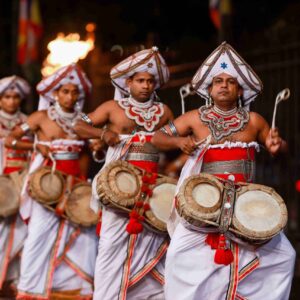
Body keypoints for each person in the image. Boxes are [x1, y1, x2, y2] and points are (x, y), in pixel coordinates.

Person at [152, 42, 295, 300]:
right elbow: (157, 138)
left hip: (246, 206)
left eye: (231, 81)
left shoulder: (254, 121)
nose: (224, 85)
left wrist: (277, 145)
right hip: (202, 204)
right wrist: (177, 142)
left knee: (286, 255)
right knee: (176, 256)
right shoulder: (194, 118)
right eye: (218, 80)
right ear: (209, 88)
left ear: (240, 90)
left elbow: (280, 148)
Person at [75, 46, 173, 299]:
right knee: (110, 245)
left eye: (151, 81)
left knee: (154, 243)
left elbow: (182, 139)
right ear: (128, 82)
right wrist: (102, 134)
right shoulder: (112, 108)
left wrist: (177, 163)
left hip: (153, 188)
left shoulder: (165, 112)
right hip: (118, 187)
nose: (146, 85)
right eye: (140, 80)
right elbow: (78, 125)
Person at [9, 64, 98, 300]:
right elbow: (11, 140)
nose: (70, 97)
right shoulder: (40, 117)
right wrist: (35, 146)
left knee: (84, 235)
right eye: (65, 92)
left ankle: (74, 288)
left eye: (74, 92)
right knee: (38, 235)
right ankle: (29, 290)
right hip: (45, 186)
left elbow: (87, 153)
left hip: (75, 186)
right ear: (55, 94)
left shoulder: (82, 121)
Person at [0, 76, 32, 297]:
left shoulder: (28, 121)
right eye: (7, 97)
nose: (11, 101)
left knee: (24, 231)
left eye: (15, 97)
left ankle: (17, 280)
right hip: (3, 182)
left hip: (25, 182)